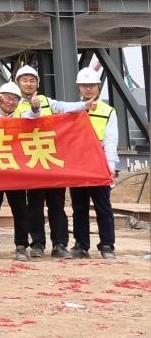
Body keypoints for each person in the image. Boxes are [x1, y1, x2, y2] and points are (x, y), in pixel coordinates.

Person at [14, 64, 90, 258]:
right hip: (31, 162)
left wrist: (84, 105)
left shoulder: (47, 102)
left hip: (52, 160)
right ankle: (37, 244)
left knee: (57, 204)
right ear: (18, 83)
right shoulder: (14, 105)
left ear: (37, 84)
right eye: (24, 80)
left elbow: (65, 107)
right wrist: (34, 109)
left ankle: (60, 244)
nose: (28, 84)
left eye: (32, 80)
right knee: (35, 205)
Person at [0, 82, 39, 260]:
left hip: (15, 173)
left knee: (20, 210)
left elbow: (33, 116)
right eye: (7, 97)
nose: (10, 101)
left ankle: (21, 246)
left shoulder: (22, 117)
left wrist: (35, 108)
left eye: (15, 99)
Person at [68, 68, 119, 260]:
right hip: (78, 166)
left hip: (98, 165)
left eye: (91, 85)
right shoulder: (73, 110)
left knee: (102, 206)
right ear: (79, 88)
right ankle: (81, 245)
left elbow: (111, 140)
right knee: (79, 207)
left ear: (98, 86)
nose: (88, 89)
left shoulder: (108, 111)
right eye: (84, 85)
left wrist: (110, 165)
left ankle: (107, 245)